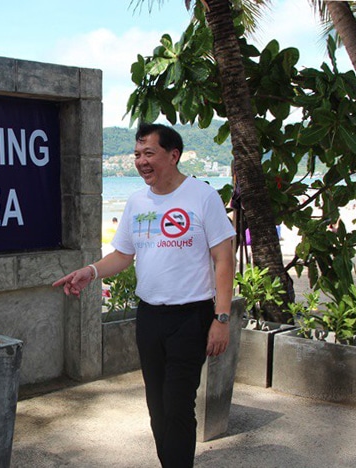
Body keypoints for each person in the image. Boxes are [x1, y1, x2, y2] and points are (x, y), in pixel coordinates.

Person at [53, 123, 235, 468]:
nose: (141, 161)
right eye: (137, 154)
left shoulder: (202, 196)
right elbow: (123, 255)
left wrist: (221, 318)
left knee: (178, 405)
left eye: (149, 153)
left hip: (191, 316)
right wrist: (89, 272)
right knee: (157, 406)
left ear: (174, 155)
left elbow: (224, 259)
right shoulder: (137, 201)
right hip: (150, 317)